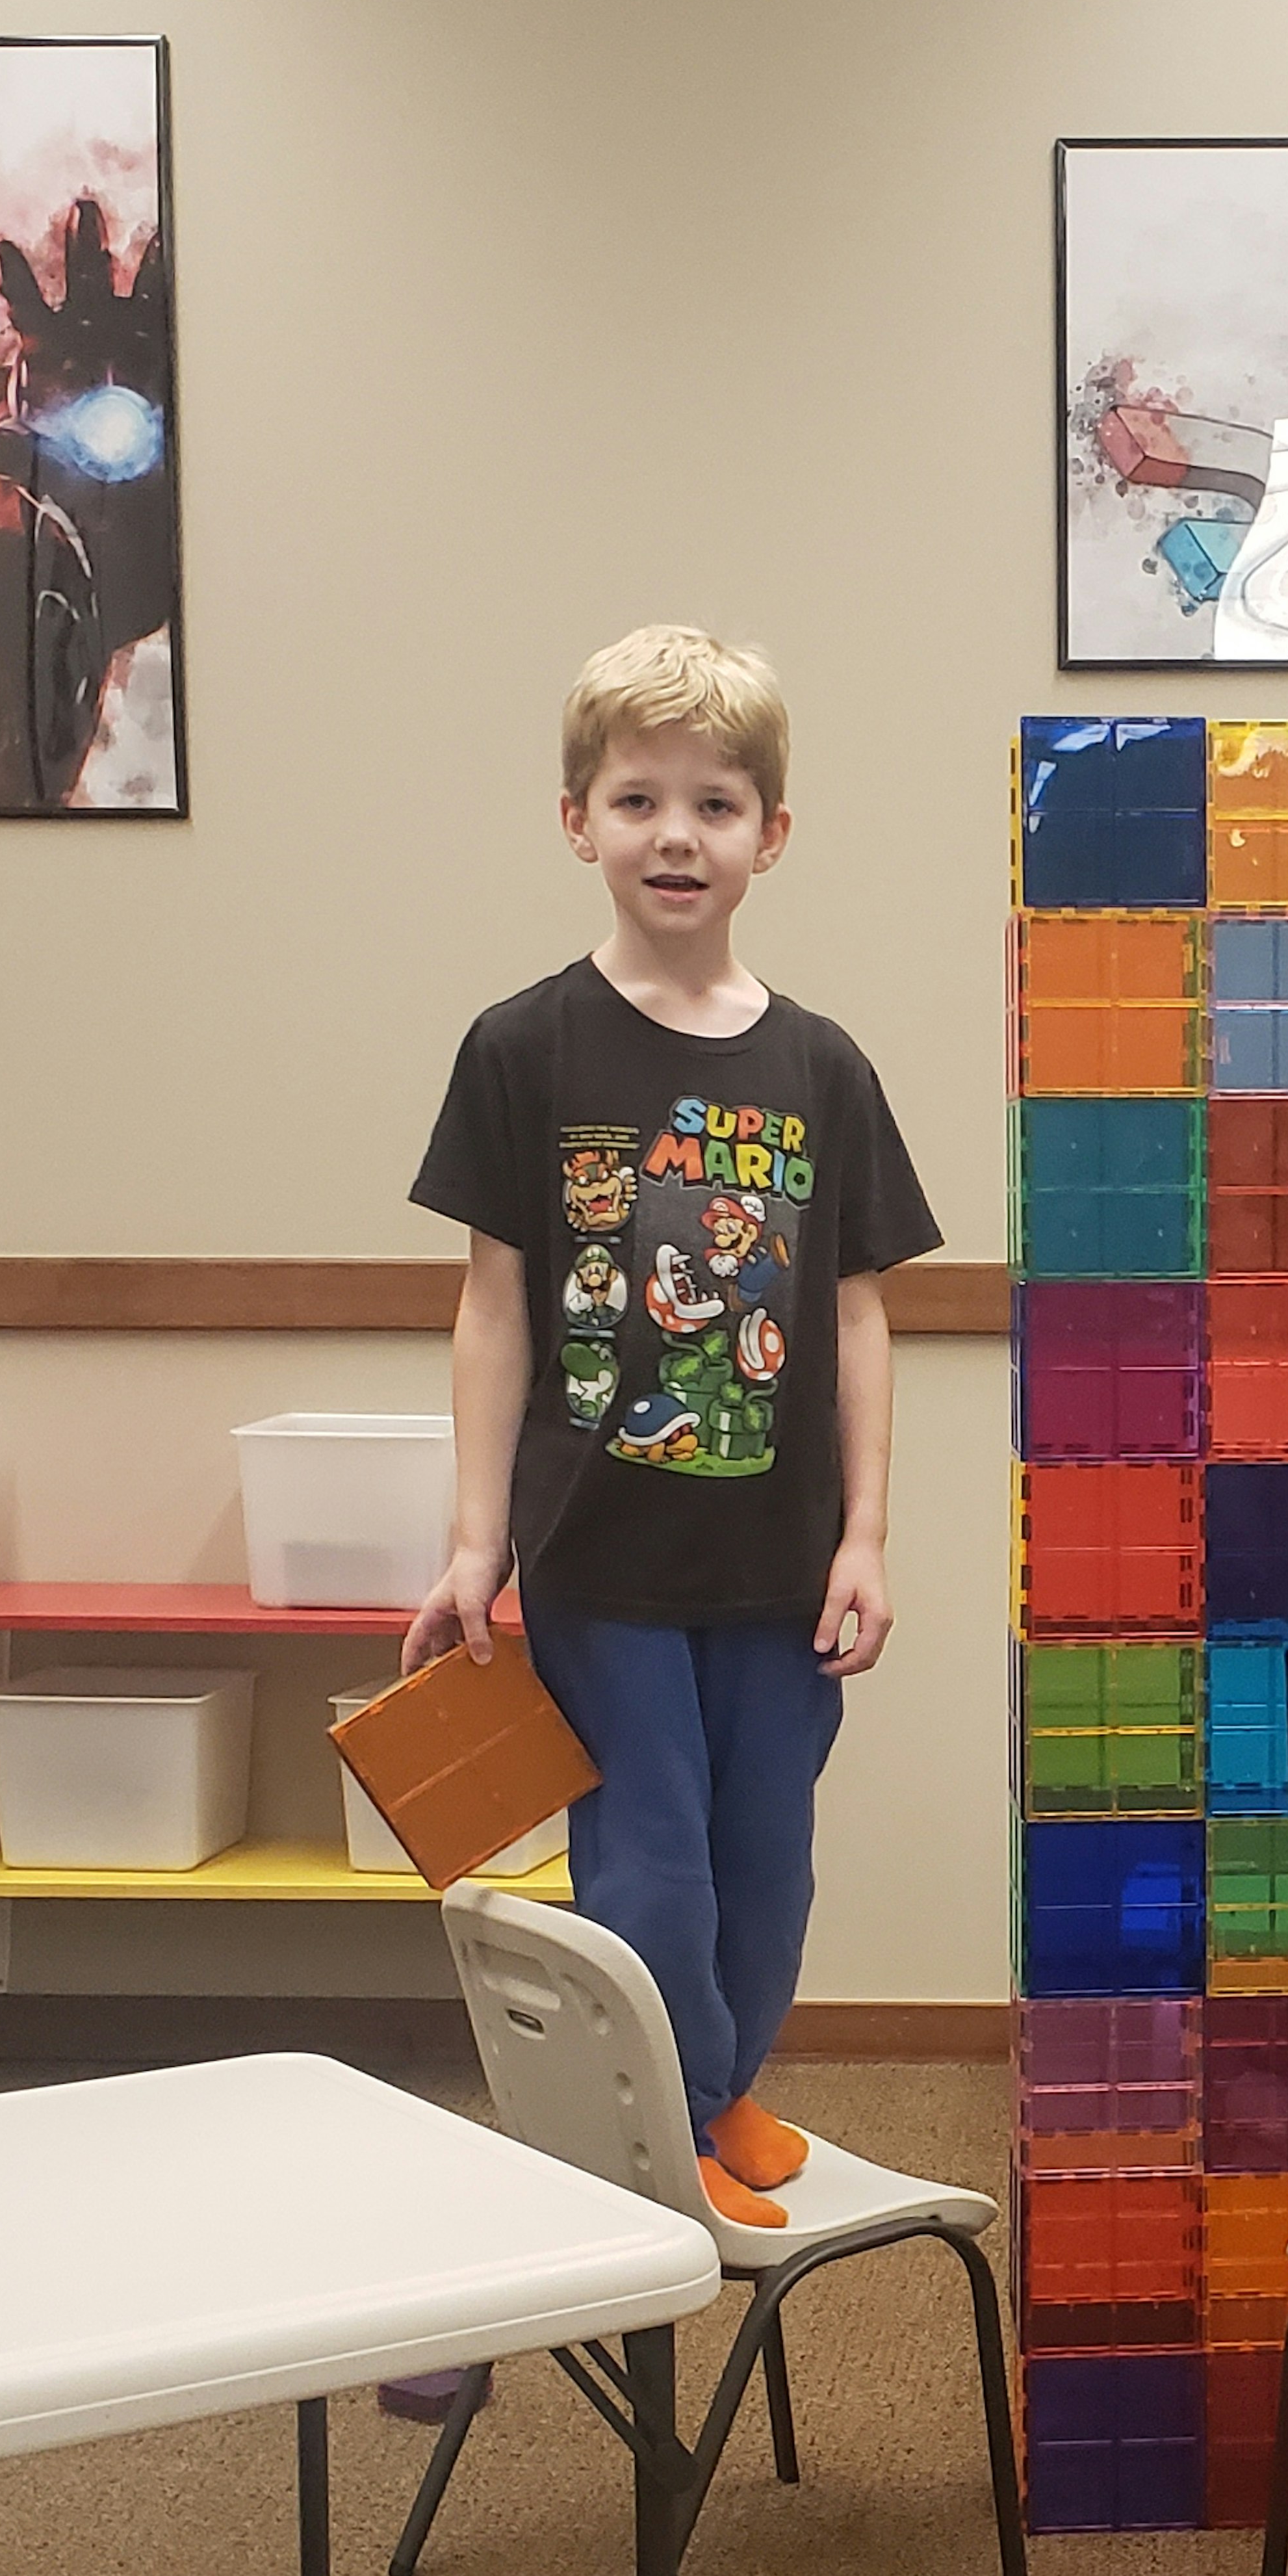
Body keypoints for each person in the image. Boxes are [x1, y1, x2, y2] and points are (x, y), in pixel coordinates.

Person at [405, 623, 940, 2230]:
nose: (676, 834)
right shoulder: (523, 1047)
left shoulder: (822, 1067)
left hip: (779, 1564)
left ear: (770, 835)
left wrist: (865, 1535)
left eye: (715, 803)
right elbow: (493, 1307)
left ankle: (719, 2087)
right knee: (648, 1867)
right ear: (579, 821)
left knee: (766, 1858)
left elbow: (855, 1310)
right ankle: (674, 2119)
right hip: (598, 1559)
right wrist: (474, 1539)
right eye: (638, 798)